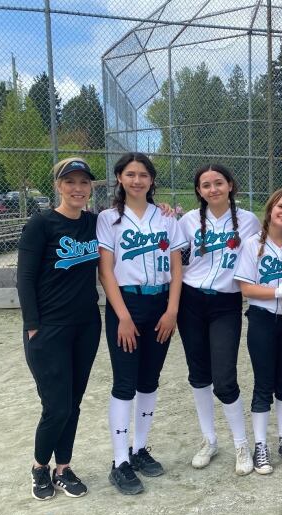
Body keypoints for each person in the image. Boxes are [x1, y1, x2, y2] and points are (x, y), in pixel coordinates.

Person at [97, 153, 186, 495]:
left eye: (143, 175)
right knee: (125, 383)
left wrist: (172, 310)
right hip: (126, 303)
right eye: (130, 174)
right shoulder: (108, 218)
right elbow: (106, 270)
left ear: (151, 180)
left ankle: (139, 450)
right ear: (119, 177)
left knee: (149, 380)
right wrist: (122, 316)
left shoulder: (166, 217)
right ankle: (119, 461)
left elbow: (177, 267)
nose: (137, 180)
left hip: (161, 303)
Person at [17, 158, 101, 500]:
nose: (77, 188)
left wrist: (164, 210)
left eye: (83, 182)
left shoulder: (95, 223)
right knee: (57, 406)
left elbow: (132, 222)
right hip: (49, 328)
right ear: (58, 186)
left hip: (86, 326)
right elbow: (24, 277)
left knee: (75, 401)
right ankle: (39, 466)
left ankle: (63, 468)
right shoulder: (41, 224)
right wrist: (32, 325)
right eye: (70, 182)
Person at [177, 164, 261, 476]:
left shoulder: (249, 221)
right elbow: (177, 259)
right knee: (199, 374)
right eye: (206, 185)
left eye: (219, 183)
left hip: (226, 302)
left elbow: (260, 255)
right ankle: (209, 440)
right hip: (191, 300)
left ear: (230, 185)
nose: (213, 189)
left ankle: (241, 444)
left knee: (224, 377)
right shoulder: (186, 221)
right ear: (199, 191)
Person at [234, 188, 282, 475]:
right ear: (271, 208)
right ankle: (260, 445)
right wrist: (280, 290)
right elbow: (245, 287)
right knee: (264, 384)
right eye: (281, 206)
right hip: (262, 319)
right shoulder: (253, 243)